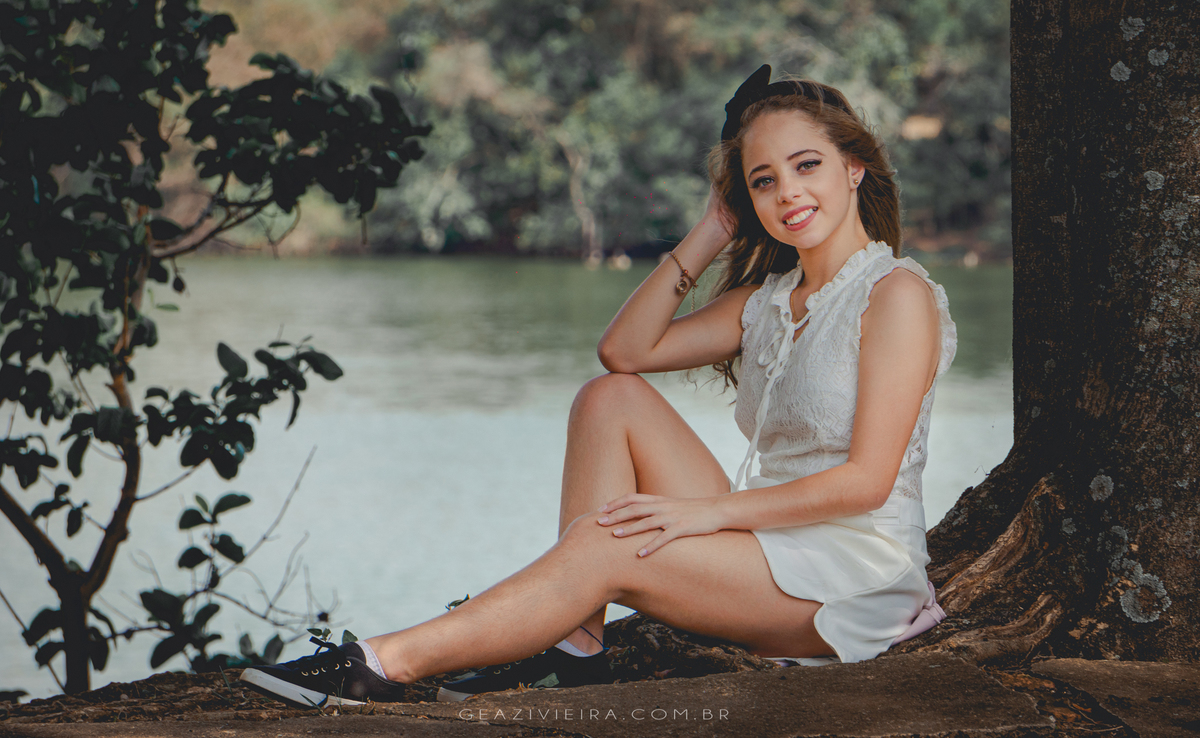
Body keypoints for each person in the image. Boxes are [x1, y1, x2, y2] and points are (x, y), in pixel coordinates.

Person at [239, 64, 954, 708]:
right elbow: (625, 351)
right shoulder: (767, 302)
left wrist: (707, 515)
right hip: (768, 544)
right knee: (608, 398)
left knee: (606, 541)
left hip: (854, 576)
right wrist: (713, 227)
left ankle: (380, 664)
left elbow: (865, 483)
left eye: (807, 165)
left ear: (854, 167)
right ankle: (575, 649)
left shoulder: (894, 294)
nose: (788, 192)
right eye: (763, 180)